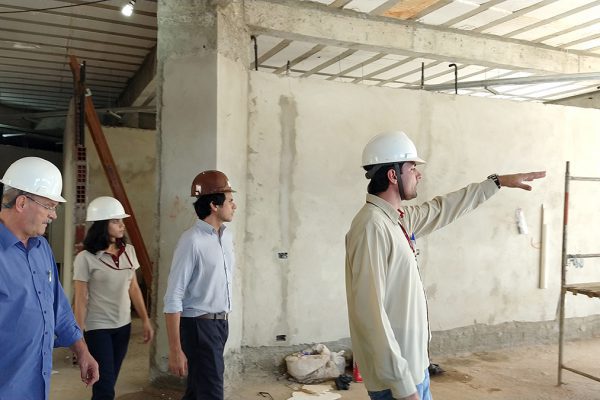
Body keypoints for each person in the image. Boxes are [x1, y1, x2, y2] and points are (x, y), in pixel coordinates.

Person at [345, 131, 546, 400]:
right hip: (398, 382)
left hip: (413, 369)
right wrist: (402, 387)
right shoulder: (372, 227)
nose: (419, 175)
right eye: (412, 168)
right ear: (393, 175)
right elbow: (370, 315)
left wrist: (496, 182)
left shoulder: (397, 219)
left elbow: (444, 208)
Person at [0, 156, 99, 400]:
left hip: (36, 385)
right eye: (49, 206)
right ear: (22, 202)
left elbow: (57, 305)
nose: (53, 215)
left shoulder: (41, 248)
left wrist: (81, 349)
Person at [164, 170, 237, 400]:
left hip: (220, 324)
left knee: (198, 391)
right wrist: (175, 349)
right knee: (211, 392)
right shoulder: (191, 241)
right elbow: (173, 296)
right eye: (230, 201)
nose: (234, 206)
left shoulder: (226, 237)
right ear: (214, 205)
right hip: (198, 326)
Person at [73, 196, 154, 400]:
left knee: (108, 381)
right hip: (97, 329)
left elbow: (133, 288)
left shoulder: (129, 252)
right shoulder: (85, 258)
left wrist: (145, 320)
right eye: (116, 221)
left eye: (122, 221)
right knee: (105, 387)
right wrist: (78, 337)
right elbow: (80, 299)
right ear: (102, 224)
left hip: (123, 327)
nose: (122, 225)